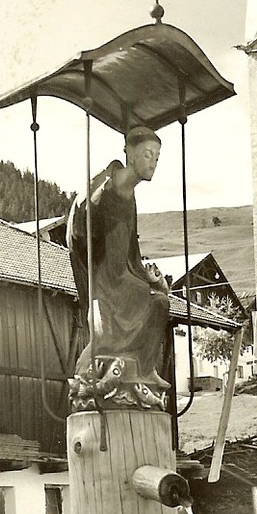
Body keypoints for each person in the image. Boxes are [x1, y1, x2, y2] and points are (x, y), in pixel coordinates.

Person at [67, 126, 170, 388]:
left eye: (157, 157)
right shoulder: (102, 190)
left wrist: (150, 277)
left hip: (125, 279)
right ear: (130, 154)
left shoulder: (131, 198)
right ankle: (98, 353)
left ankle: (145, 367)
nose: (153, 163)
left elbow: (130, 249)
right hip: (103, 281)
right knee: (106, 328)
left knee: (160, 303)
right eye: (147, 155)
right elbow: (78, 232)